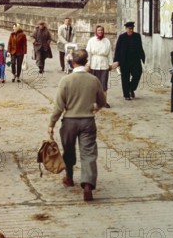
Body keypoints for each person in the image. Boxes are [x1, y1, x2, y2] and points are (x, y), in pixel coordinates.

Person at [49, 49, 106, 202]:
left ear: (73, 62)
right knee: (88, 153)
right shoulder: (94, 80)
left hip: (69, 122)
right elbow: (102, 101)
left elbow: (58, 107)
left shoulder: (65, 81)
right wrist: (95, 109)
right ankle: (87, 184)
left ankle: (69, 177)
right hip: (88, 121)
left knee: (68, 150)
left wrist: (51, 124)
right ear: (86, 62)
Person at [113, 21, 146, 100]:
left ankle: (131, 88)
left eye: (132, 28)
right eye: (129, 29)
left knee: (138, 74)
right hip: (124, 61)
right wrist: (116, 60)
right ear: (126, 29)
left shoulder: (137, 36)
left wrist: (143, 57)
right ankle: (126, 95)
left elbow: (140, 47)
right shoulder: (122, 37)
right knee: (125, 78)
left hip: (135, 60)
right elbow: (117, 49)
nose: (130, 30)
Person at [86, 25, 112, 108]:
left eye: (101, 30)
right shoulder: (91, 41)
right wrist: (88, 64)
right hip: (94, 64)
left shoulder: (107, 41)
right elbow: (88, 53)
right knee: (93, 84)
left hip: (104, 64)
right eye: (98, 30)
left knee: (104, 84)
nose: (100, 32)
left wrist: (110, 64)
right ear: (96, 32)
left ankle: (104, 101)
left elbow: (110, 53)